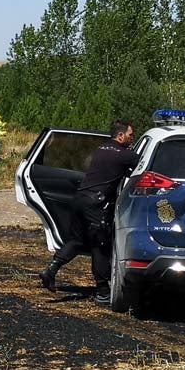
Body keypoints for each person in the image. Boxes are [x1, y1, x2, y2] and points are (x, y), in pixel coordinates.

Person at [39, 119, 139, 304]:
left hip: (80, 199)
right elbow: (142, 164)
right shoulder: (124, 155)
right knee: (99, 245)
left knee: (77, 240)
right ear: (120, 135)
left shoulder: (102, 149)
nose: (132, 139)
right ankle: (102, 291)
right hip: (96, 204)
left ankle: (50, 270)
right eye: (131, 135)